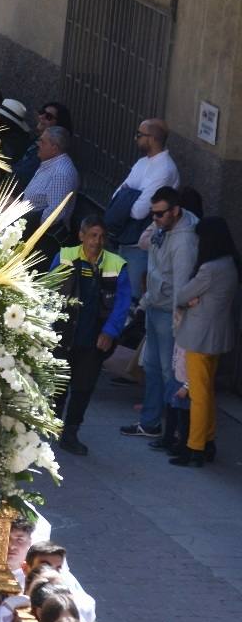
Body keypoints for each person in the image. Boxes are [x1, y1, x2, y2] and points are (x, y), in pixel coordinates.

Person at [120, 187, 197, 439]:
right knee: (152, 367)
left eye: (160, 214)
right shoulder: (161, 228)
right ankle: (151, 422)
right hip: (155, 303)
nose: (155, 219)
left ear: (175, 211)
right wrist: (156, 227)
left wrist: (178, 322)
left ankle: (171, 429)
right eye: (152, 214)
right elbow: (144, 244)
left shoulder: (184, 240)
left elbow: (182, 286)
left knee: (169, 371)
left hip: (168, 311)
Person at [51, 217, 131, 455]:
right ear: (81, 236)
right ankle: (51, 425)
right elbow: (49, 290)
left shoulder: (116, 264)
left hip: (94, 338)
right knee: (58, 384)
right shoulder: (65, 256)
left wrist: (110, 332)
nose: (97, 241)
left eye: (101, 236)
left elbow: (122, 303)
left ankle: (71, 433)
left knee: (83, 388)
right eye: (92, 235)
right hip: (65, 333)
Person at [170, 216, 241, 467]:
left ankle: (195, 447)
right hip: (219, 336)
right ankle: (207, 442)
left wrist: (187, 300)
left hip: (198, 338)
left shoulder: (209, 269)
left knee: (198, 396)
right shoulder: (230, 264)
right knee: (207, 392)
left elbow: (183, 294)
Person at [106, 119, 179, 301]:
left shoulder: (165, 169)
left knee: (132, 295)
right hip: (125, 237)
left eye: (139, 135)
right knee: (120, 293)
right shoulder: (141, 163)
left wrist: (128, 195)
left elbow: (139, 211)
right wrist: (131, 196)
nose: (135, 138)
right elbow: (115, 197)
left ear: (152, 138)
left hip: (141, 244)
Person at [24, 125, 80, 232]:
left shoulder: (60, 173)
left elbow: (55, 214)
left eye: (43, 142)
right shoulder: (50, 163)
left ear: (54, 148)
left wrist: (25, 223)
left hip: (37, 234)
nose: (38, 144)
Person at [14, 101, 74, 188]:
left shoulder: (51, 154)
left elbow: (24, 175)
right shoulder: (34, 141)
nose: (41, 117)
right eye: (42, 112)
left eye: (48, 117)